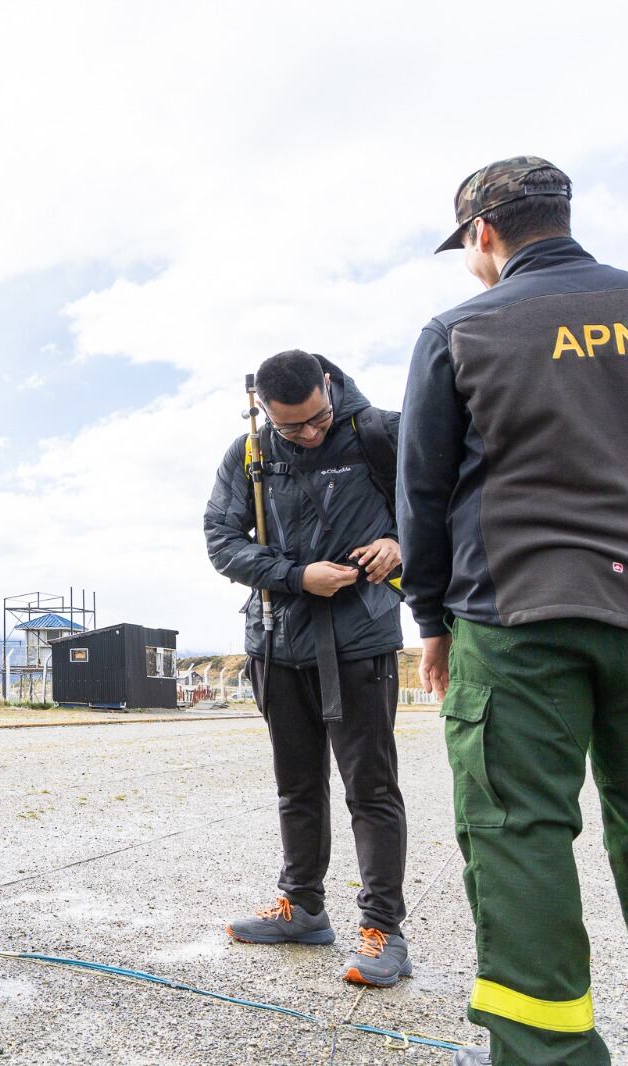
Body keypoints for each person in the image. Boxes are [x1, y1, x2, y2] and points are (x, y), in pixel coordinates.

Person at [399, 157, 628, 1066]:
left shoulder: (462, 328)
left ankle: (549, 1057)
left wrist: (429, 620)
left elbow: (422, 491)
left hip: (518, 611)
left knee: (520, 834)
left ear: (484, 235)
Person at [203, 350, 411, 987]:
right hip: (277, 642)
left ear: (329, 386)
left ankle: (383, 928)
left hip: (360, 640)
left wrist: (400, 543)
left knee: (370, 790)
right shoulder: (248, 454)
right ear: (264, 410)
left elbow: (439, 505)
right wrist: (296, 576)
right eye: (292, 427)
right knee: (296, 784)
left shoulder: (381, 432)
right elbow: (222, 542)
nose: (310, 433)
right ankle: (302, 906)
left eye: (318, 419)